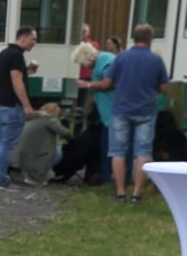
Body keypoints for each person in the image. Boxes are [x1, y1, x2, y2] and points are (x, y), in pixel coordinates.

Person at [84, 21, 172, 203]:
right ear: (150, 39)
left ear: (134, 38)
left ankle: (120, 192)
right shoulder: (156, 60)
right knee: (143, 152)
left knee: (118, 152)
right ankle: (137, 193)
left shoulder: (121, 58)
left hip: (121, 109)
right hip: (146, 110)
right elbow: (164, 88)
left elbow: (108, 82)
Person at [0, 26, 36, 189]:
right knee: (6, 145)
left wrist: (27, 71)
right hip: (11, 107)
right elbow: (16, 80)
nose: (34, 43)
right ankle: (0, 179)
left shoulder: (5, 53)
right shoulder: (16, 56)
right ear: (23, 38)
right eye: (33, 39)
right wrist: (26, 105)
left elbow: (9, 76)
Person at [16, 100, 71, 188]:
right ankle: (42, 175)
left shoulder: (32, 118)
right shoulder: (49, 120)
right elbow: (65, 133)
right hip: (37, 154)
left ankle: (32, 176)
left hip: (22, 154)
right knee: (59, 153)